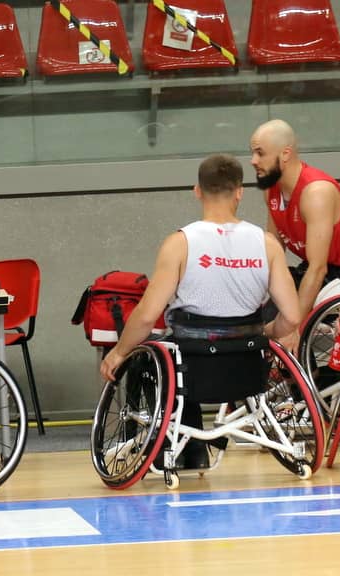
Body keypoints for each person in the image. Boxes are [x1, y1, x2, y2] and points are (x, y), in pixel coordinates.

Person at [100, 153, 301, 469]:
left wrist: (119, 352)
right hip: (248, 367)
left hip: (192, 367)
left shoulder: (180, 243)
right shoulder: (267, 244)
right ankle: (192, 448)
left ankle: (184, 448)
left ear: (197, 191)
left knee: (151, 356)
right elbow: (292, 316)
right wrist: (269, 332)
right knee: (181, 347)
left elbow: (147, 314)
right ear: (239, 192)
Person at [250, 119, 340, 322]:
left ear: (285, 154)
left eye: (260, 153)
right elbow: (274, 252)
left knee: (291, 325)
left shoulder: (316, 193)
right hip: (320, 268)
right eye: (253, 153)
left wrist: (293, 326)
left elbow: (318, 268)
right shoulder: (272, 189)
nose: (253, 160)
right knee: (266, 321)